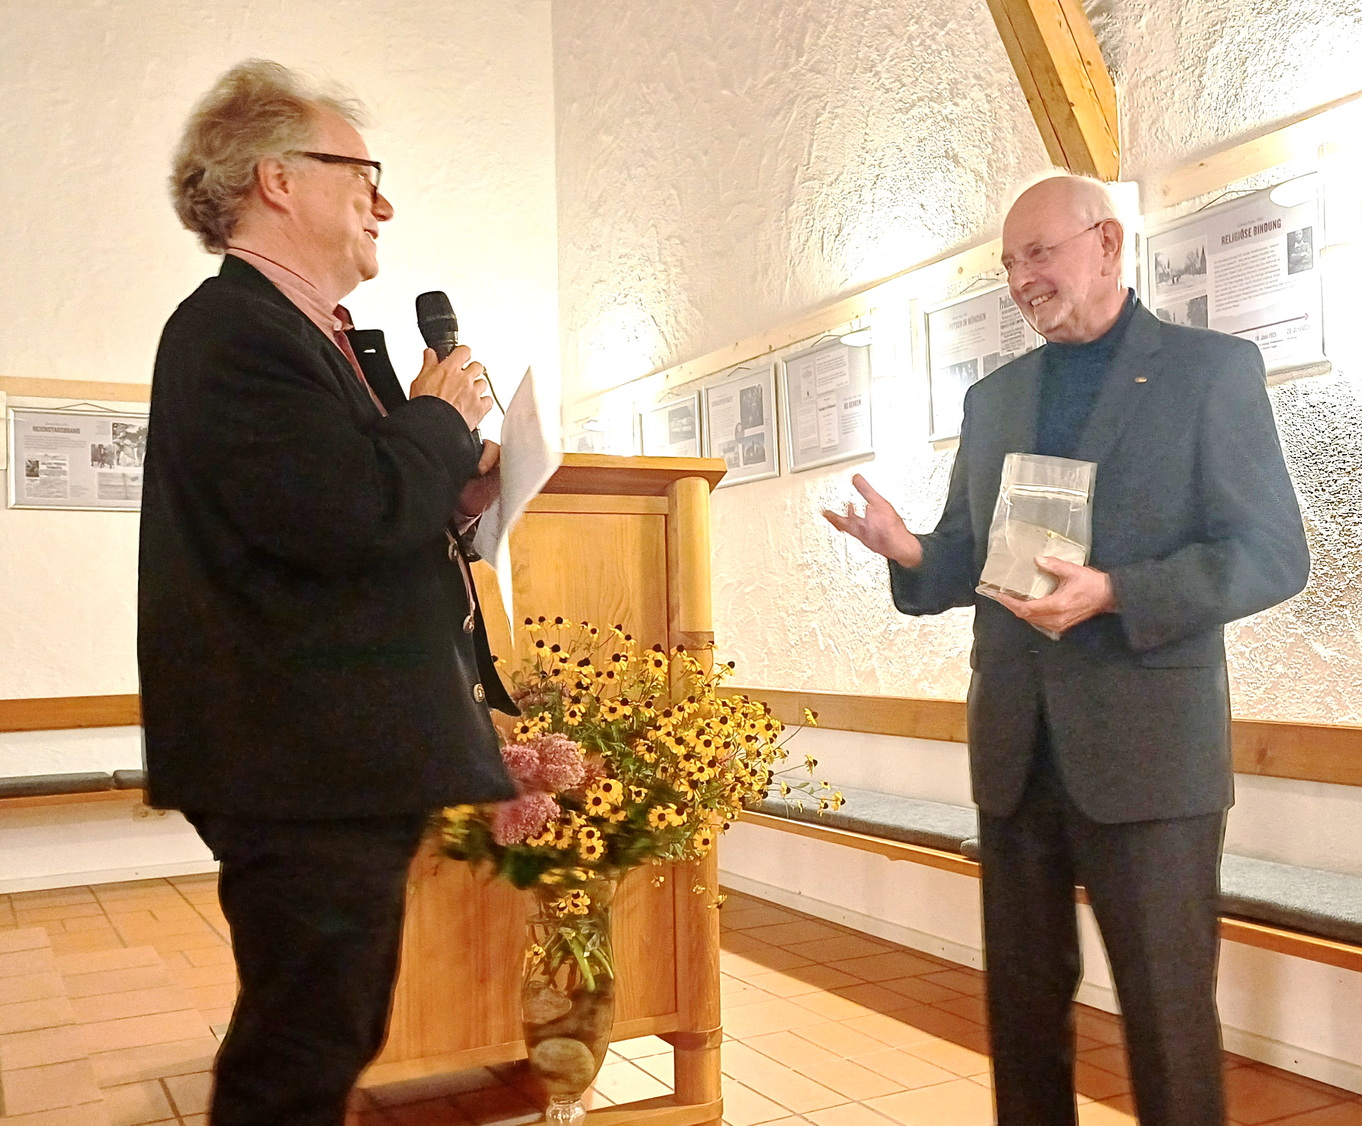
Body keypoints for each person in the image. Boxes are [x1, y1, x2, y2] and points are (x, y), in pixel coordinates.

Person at [824, 174, 1309, 1126]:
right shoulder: (995, 397)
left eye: (1039, 253)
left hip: (1149, 753)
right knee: (1022, 1014)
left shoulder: (1210, 372)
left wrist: (1117, 591)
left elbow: (1272, 554)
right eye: (1010, 263)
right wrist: (911, 551)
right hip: (1018, 747)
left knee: (1167, 1018)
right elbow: (971, 554)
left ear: (1108, 243)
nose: (1022, 279)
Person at [138, 60, 517, 1126]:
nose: (382, 205)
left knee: (325, 1034)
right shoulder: (235, 332)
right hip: (298, 757)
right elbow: (349, 512)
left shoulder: (299, 333)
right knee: (301, 1053)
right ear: (278, 179)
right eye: (363, 175)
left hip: (323, 753)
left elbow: (334, 519)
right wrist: (439, 420)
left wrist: (453, 493)